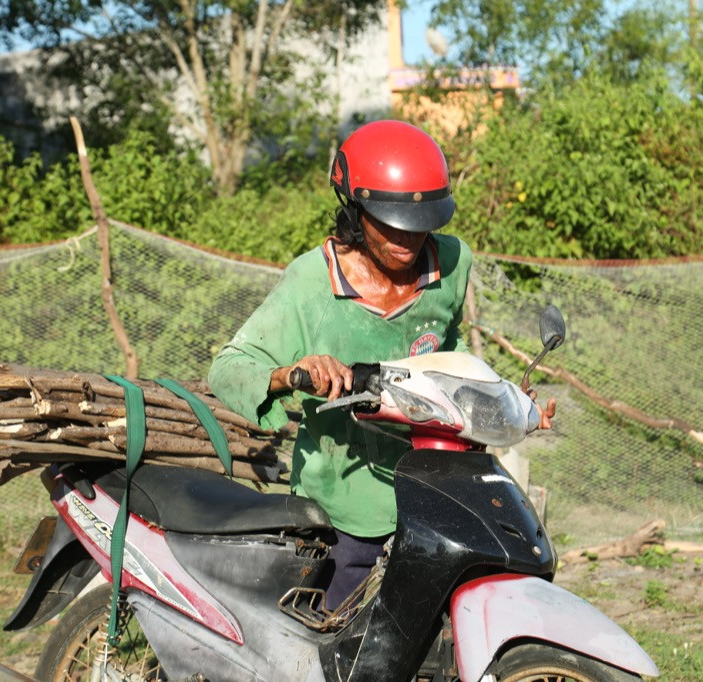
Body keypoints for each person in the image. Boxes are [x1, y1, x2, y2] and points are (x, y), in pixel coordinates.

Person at [208, 119, 553, 611]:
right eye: (390, 223)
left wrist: (505, 403)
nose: (408, 239)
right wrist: (291, 374)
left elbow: (449, 356)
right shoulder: (312, 284)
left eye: (420, 224)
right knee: (336, 644)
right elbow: (229, 367)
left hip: (437, 490)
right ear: (356, 210)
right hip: (345, 504)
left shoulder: (451, 267)